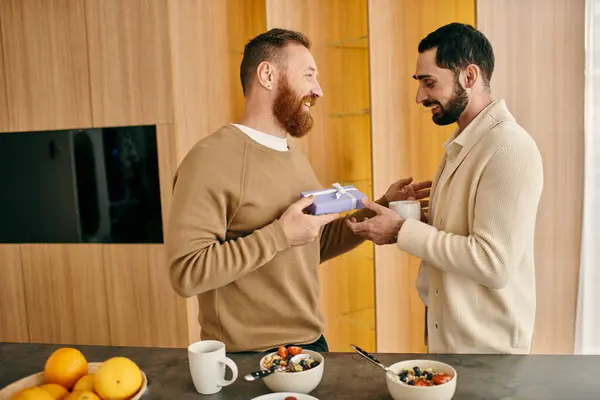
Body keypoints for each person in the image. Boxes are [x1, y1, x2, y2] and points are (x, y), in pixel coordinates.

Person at [165, 28, 431, 353]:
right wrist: (280, 234)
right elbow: (186, 273)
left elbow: (308, 247)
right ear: (267, 75)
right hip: (251, 357)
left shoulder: (293, 156)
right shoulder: (209, 160)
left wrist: (379, 207)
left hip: (311, 345)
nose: (318, 90)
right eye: (309, 75)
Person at [346, 23, 544, 354]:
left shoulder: (509, 148)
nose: (420, 96)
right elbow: (458, 235)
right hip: (449, 342)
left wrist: (402, 231)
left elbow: (493, 263)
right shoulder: (462, 145)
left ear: (470, 77)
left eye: (429, 82)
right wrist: (410, 217)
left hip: (486, 356)